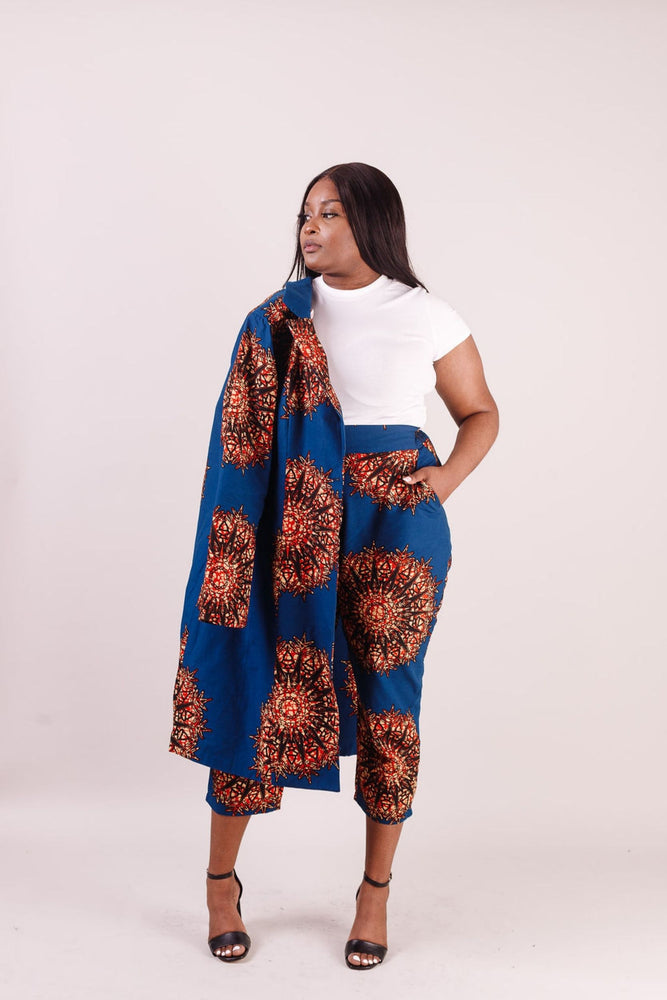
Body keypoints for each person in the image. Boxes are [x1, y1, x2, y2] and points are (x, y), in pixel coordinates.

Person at [169, 162, 499, 969]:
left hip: (395, 523)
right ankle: (220, 884)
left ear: (371, 222)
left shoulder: (424, 313)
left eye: (329, 213)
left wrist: (443, 481)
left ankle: (373, 895)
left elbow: (479, 412)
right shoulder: (279, 319)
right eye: (304, 214)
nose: (310, 227)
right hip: (291, 522)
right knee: (257, 679)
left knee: (390, 706)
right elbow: (242, 437)